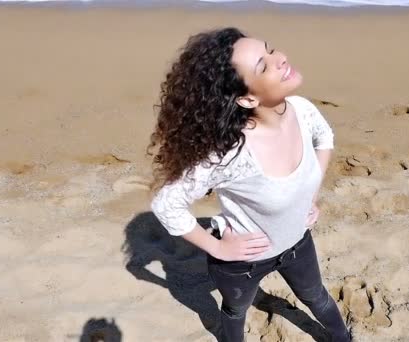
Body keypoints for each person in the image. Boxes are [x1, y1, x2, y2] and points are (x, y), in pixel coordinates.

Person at [147, 27, 351, 342]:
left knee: (317, 297)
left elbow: (325, 138)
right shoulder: (230, 154)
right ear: (247, 97)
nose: (280, 59)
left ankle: (343, 338)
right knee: (235, 311)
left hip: (297, 243)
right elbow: (166, 203)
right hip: (242, 262)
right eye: (263, 65)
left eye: (271, 50)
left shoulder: (302, 110)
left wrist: (308, 195)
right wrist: (216, 247)